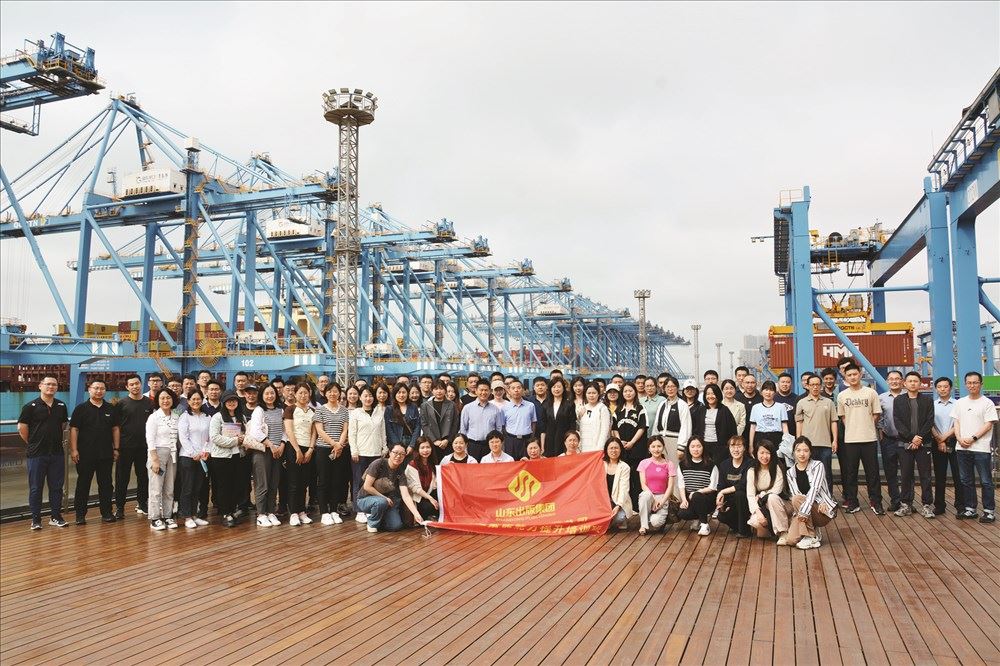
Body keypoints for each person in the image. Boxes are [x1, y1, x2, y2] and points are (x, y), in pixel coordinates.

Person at [19, 375, 70, 530]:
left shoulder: (61, 405)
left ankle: (55, 517)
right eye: (48, 384)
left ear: (57, 388)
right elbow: (22, 428)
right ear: (40, 386)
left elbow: (62, 425)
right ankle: (36, 519)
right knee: (36, 487)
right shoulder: (30, 406)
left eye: (54, 384)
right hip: (37, 454)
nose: (51, 387)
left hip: (57, 453)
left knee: (57, 487)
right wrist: (33, 443)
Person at [69, 379, 120, 524]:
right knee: (83, 484)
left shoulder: (111, 408)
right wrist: (74, 450)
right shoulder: (81, 409)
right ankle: (80, 515)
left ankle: (107, 513)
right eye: (96, 388)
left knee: (106, 485)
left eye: (102, 388)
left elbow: (115, 429)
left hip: (106, 453)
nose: (99, 391)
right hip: (85, 454)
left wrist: (116, 448)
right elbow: (74, 429)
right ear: (89, 389)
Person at [837, 363, 884, 514]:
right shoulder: (842, 395)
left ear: (860, 374)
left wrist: (866, 425)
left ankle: (876, 502)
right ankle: (852, 502)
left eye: (855, 374)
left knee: (873, 473)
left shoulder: (871, 393)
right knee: (851, 474)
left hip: (869, 439)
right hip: (850, 440)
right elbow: (843, 416)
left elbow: (876, 414)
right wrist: (853, 427)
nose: (852, 377)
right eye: (849, 375)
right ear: (845, 377)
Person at [951, 371, 998, 523]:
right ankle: (970, 509)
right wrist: (959, 438)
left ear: (981, 384)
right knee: (966, 480)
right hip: (962, 447)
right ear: (965, 385)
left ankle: (989, 511)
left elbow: (988, 424)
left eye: (975, 382)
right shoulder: (960, 402)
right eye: (969, 383)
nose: (972, 385)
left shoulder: (987, 403)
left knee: (986, 481)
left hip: (981, 448)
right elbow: (956, 422)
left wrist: (973, 438)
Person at [892, 371, 936, 519]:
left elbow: (930, 420)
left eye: (915, 381)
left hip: (924, 444)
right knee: (906, 475)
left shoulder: (927, 400)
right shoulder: (898, 400)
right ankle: (906, 505)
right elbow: (897, 421)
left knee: (925, 476)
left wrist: (919, 438)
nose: (912, 383)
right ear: (905, 383)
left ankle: (927, 505)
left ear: (920, 383)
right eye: (910, 381)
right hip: (905, 444)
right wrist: (912, 438)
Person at [355, 443, 426, 532]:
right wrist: (384, 498)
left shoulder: (401, 472)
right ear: (389, 452)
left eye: (402, 454)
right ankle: (372, 523)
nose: (398, 456)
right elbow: (367, 487)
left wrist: (416, 514)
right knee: (381, 502)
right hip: (366, 499)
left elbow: (406, 495)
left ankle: (379, 515)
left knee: (395, 526)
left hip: (388, 502)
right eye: (395, 453)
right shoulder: (378, 463)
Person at [113, 374, 154, 519]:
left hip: (144, 447)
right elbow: (116, 427)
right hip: (125, 447)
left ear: (141, 384)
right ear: (127, 387)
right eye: (131, 384)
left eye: (137, 383)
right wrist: (116, 447)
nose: (135, 386)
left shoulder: (149, 403)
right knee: (122, 478)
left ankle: (142, 504)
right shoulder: (121, 404)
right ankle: (119, 508)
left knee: (143, 477)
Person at [785, 437, 837, 549]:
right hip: (803, 509)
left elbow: (815, 489)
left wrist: (820, 501)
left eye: (805, 450)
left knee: (797, 499)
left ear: (810, 452)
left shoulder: (817, 466)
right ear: (793, 452)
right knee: (790, 540)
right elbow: (796, 494)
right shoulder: (790, 473)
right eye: (798, 450)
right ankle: (814, 532)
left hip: (821, 510)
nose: (802, 454)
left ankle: (811, 536)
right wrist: (802, 512)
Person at [246, 383, 284, 527]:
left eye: (272, 393)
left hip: (277, 451)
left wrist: (282, 444)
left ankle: (271, 511)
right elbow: (255, 431)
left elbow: (284, 430)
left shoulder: (280, 410)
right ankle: (261, 514)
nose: (270, 396)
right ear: (261, 395)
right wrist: (270, 445)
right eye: (266, 393)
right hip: (263, 451)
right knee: (262, 484)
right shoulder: (259, 410)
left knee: (274, 482)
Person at [349, 385, 387, 524]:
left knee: (374, 483)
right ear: (360, 397)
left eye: (370, 395)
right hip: (360, 453)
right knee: (359, 481)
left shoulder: (379, 412)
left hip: (376, 453)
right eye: (365, 395)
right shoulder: (356, 413)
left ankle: (371, 507)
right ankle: (359, 510)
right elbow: (352, 434)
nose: (368, 398)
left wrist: (384, 447)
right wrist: (354, 450)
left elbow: (382, 432)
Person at [794, 373, 838, 492]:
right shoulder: (801, 402)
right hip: (807, 445)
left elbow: (833, 421)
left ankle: (827, 497)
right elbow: (799, 422)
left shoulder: (829, 402)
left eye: (817, 384)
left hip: (825, 444)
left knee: (826, 473)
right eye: (812, 384)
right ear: (807, 386)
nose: (815, 387)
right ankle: (810, 497)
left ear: (821, 386)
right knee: (808, 472)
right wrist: (799, 441)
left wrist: (834, 440)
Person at [313, 382, 349, 525]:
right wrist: (334, 444)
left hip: (339, 449)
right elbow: (319, 431)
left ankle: (334, 510)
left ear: (339, 393)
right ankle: (324, 512)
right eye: (329, 391)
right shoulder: (320, 410)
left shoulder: (344, 410)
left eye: (335, 391)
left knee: (336, 480)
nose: (332, 394)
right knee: (323, 481)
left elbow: (345, 430)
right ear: (325, 393)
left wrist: (339, 445)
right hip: (323, 449)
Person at [209, 391, 246, 528]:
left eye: (234, 400)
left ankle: (232, 510)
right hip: (222, 457)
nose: (232, 403)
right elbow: (215, 437)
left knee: (236, 485)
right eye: (229, 401)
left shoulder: (241, 416)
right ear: (223, 403)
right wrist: (235, 441)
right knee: (224, 486)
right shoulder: (217, 417)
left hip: (238, 455)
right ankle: (225, 513)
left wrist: (243, 438)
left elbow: (245, 433)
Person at [145, 387, 180, 531]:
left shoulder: (176, 416)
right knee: (155, 488)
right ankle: (155, 518)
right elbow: (150, 439)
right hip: (158, 454)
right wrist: (154, 460)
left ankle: (168, 516)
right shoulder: (154, 417)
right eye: (162, 398)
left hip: (173, 454)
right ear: (157, 401)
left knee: (169, 488)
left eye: (168, 398)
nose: (165, 400)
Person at [930, 377, 964, 517]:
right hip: (937, 442)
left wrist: (944, 438)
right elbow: (929, 424)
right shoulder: (932, 405)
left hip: (955, 441)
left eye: (945, 386)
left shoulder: (958, 404)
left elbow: (959, 423)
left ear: (951, 388)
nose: (942, 389)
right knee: (939, 475)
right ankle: (939, 505)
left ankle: (960, 506)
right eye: (939, 387)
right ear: (936, 388)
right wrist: (939, 440)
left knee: (958, 475)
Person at [177, 389, 211, 528]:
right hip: (187, 456)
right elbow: (183, 438)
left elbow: (210, 437)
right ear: (188, 401)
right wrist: (193, 453)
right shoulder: (184, 417)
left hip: (203, 457)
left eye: (198, 399)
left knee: (197, 487)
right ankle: (187, 516)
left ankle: (194, 515)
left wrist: (206, 451)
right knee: (188, 487)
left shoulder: (207, 417)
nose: (196, 401)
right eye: (193, 399)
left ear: (202, 400)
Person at [283, 383, 315, 527]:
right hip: (294, 448)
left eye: (305, 393)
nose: (303, 395)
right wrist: (297, 450)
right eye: (300, 393)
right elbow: (289, 431)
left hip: (308, 449)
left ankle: (302, 511)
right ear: (295, 394)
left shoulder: (312, 411)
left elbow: (314, 432)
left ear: (310, 394)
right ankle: (294, 513)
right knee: (294, 482)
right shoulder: (290, 409)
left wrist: (310, 449)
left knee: (304, 482)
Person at [613, 382, 648, 511]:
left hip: (637, 449)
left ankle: (637, 507)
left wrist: (632, 442)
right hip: (622, 450)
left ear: (635, 392)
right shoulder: (618, 410)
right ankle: (625, 507)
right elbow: (614, 428)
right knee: (624, 479)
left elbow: (642, 427)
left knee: (637, 478)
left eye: (630, 391)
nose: (628, 393)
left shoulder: (640, 408)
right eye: (625, 391)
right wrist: (619, 441)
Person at [747, 442, 790, 544]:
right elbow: (750, 495)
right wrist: (758, 512)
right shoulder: (752, 471)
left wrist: (761, 494)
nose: (765, 456)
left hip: (780, 503)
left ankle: (783, 532)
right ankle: (772, 528)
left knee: (772, 498)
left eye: (768, 453)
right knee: (756, 523)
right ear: (756, 454)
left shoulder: (777, 468)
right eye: (761, 453)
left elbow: (776, 490)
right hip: (763, 505)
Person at [676, 438, 718, 536]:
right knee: (682, 513)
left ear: (703, 448)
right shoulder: (682, 465)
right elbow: (681, 485)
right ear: (688, 448)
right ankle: (698, 518)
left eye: (699, 446)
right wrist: (684, 500)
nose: (696, 449)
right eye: (693, 446)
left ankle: (704, 525)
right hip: (690, 499)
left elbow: (713, 487)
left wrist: (697, 492)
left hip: (708, 499)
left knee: (697, 496)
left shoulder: (711, 465)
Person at [877, 370, 905, 512]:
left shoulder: (908, 396)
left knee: (907, 472)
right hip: (888, 440)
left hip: (906, 440)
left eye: (897, 378)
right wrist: (881, 434)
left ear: (902, 381)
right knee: (890, 472)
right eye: (891, 379)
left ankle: (907, 501)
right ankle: (895, 501)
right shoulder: (881, 398)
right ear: (887, 381)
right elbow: (879, 418)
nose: (894, 381)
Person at [636, 436, 676, 535]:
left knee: (656, 522)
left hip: (663, 497)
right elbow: (643, 484)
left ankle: (652, 518)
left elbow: (670, 487)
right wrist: (654, 499)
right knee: (645, 495)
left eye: (659, 446)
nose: (656, 449)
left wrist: (661, 502)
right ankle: (643, 525)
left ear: (663, 447)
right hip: (649, 495)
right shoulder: (644, 463)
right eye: (653, 446)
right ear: (649, 448)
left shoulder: (669, 464)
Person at [716, 436, 753, 537]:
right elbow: (721, 485)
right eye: (732, 446)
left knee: (739, 494)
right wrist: (720, 500)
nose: (736, 449)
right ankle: (739, 526)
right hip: (730, 501)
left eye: (739, 446)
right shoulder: (724, 464)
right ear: (729, 448)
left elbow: (743, 485)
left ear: (744, 448)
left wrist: (723, 492)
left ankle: (744, 531)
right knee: (721, 517)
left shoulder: (750, 463)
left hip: (746, 500)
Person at [650, 376, 691, 469]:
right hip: (661, 442)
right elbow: (656, 424)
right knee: (660, 469)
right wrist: (653, 441)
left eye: (673, 386)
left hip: (675, 442)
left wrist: (681, 447)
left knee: (674, 469)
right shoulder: (662, 404)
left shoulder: (682, 405)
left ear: (677, 388)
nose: (670, 389)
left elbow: (686, 426)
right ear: (664, 389)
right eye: (667, 387)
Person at [460, 381, 504, 461]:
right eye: (481, 390)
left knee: (489, 468)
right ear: (476, 390)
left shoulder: (495, 409)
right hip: (472, 445)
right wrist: (464, 447)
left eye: (486, 390)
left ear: (490, 391)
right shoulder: (467, 408)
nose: (483, 392)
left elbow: (498, 429)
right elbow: (463, 429)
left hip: (489, 446)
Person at [420, 380, 459, 462]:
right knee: (432, 465)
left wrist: (447, 440)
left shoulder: (452, 405)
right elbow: (424, 424)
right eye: (436, 389)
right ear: (432, 390)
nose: (439, 391)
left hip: (448, 443)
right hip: (431, 443)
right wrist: (434, 440)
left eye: (441, 389)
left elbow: (455, 424)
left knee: (447, 465)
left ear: (445, 390)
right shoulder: (425, 406)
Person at [699, 384, 737, 466]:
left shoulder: (724, 410)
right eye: (708, 394)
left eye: (713, 393)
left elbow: (732, 430)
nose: (710, 396)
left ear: (718, 395)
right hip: (704, 445)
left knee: (719, 468)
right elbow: (697, 428)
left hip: (720, 447)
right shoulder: (701, 410)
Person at [405, 437, 439, 521]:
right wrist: (430, 498)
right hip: (418, 499)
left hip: (428, 494)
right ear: (417, 449)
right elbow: (415, 488)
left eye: (428, 447)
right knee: (429, 507)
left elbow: (435, 485)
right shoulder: (412, 465)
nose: (425, 450)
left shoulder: (431, 463)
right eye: (422, 448)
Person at [748, 380, 788, 452]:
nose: (768, 392)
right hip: (760, 437)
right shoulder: (756, 407)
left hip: (776, 438)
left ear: (775, 392)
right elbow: (753, 427)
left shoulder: (781, 407)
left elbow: (784, 426)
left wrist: (787, 443)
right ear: (761, 392)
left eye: (771, 390)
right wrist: (750, 445)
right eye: (766, 389)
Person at [541, 377, 576, 458]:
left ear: (563, 388)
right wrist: (542, 446)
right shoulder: (545, 405)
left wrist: (570, 442)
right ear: (550, 389)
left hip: (564, 441)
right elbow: (543, 428)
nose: (556, 389)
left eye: (559, 387)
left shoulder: (569, 404)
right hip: (549, 441)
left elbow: (572, 425)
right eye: (554, 387)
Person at [501, 379, 536, 460]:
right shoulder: (504, 408)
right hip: (511, 441)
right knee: (511, 464)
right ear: (509, 391)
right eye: (513, 388)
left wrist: (531, 438)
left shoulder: (530, 406)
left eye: (518, 387)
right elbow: (503, 426)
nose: (516, 390)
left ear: (523, 390)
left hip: (527, 440)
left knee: (527, 464)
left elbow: (533, 423)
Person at [604, 438, 633, 530]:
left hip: (618, 501)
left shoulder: (624, 467)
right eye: (611, 448)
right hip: (604, 502)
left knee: (619, 518)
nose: (614, 451)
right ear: (606, 450)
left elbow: (624, 489)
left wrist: (618, 506)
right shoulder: (601, 464)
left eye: (616, 448)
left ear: (620, 450)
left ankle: (617, 519)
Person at [387, 383, 421, 453]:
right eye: (399, 392)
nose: (401, 395)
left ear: (407, 393)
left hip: (411, 443)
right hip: (395, 445)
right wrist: (397, 445)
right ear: (394, 394)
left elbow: (417, 427)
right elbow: (389, 429)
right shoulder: (389, 409)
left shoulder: (413, 407)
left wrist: (412, 445)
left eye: (404, 392)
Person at [579, 383, 611, 453]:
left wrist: (600, 448)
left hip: (597, 448)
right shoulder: (583, 408)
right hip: (583, 447)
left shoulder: (602, 408)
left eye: (594, 393)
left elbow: (604, 431)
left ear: (598, 394)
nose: (591, 395)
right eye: (589, 393)